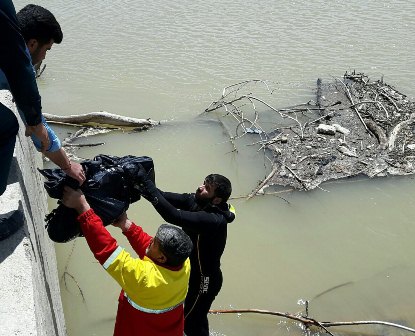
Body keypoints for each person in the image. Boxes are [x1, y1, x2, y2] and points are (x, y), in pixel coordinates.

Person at [0, 1, 84, 239]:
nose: (44, 57)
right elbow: (39, 131)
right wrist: (68, 167)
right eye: (46, 50)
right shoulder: (16, 63)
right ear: (32, 44)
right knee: (6, 126)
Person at [62, 185, 193, 336]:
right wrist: (127, 225)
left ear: (162, 258)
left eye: (154, 242)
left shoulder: (144, 279)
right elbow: (149, 248)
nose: (150, 241)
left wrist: (83, 208)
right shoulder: (183, 264)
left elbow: (107, 251)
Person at [136, 170, 236, 336]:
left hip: (205, 281)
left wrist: (147, 186)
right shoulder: (196, 200)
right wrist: (141, 184)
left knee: (189, 322)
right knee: (197, 319)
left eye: (207, 188)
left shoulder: (213, 219)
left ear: (216, 199)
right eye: (203, 183)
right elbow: (162, 196)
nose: (200, 187)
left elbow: (173, 215)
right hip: (191, 272)